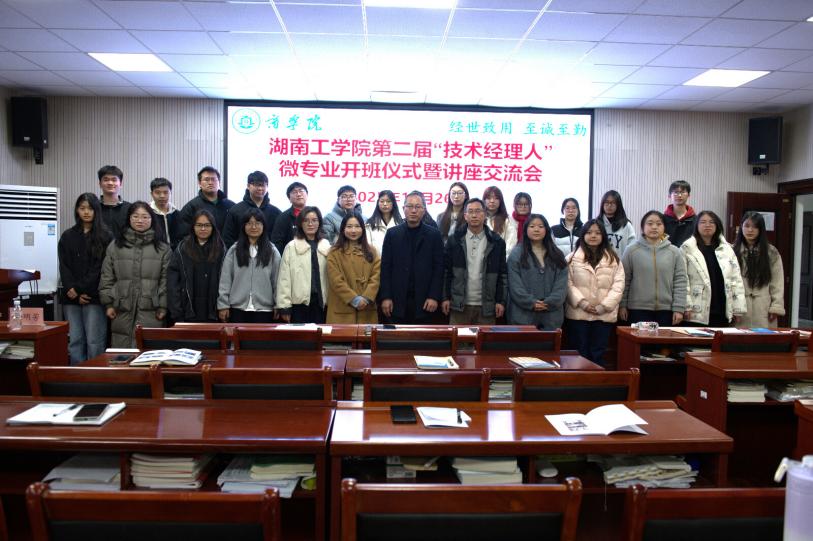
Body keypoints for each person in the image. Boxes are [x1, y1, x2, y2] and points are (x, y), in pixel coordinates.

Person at [99, 201, 170, 348]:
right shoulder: (115, 246)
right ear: (129, 219)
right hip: (121, 308)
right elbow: (107, 277)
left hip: (152, 310)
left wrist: (163, 307)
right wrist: (108, 304)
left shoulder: (163, 248)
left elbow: (166, 280)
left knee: (148, 353)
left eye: (145, 217)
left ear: (152, 220)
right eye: (135, 216)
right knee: (122, 354)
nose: (140, 220)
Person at [58, 193, 112, 364]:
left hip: (93, 296)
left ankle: (94, 376)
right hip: (71, 297)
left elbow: (100, 268)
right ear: (77, 210)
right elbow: (64, 266)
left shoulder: (105, 236)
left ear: (97, 211)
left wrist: (79, 289)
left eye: (90, 208)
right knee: (75, 340)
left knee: (94, 341)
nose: (86, 212)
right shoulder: (68, 235)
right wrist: (71, 289)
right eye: (82, 208)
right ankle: (76, 375)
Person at [564, 219, 624, 366]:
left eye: (597, 233)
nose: (593, 236)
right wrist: (582, 303)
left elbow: (618, 286)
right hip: (578, 314)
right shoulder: (571, 258)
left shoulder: (614, 259)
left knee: (598, 353)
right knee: (579, 354)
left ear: (603, 236)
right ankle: (579, 381)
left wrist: (604, 306)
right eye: (589, 232)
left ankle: (597, 381)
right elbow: (567, 284)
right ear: (583, 235)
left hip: (603, 315)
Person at [379, 191, 444, 324]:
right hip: (396, 300)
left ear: (424, 210)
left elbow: (439, 268)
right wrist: (386, 297)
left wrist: (433, 296)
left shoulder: (434, 235)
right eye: (409, 206)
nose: (413, 210)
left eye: (418, 207)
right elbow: (385, 268)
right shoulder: (392, 234)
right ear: (403, 208)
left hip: (425, 301)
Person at [441, 198, 507, 325]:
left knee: (485, 338)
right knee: (458, 338)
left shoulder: (497, 242)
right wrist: (445, 297)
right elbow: (446, 272)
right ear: (465, 216)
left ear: (485, 214)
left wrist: (501, 301)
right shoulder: (454, 240)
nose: (474, 215)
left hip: (487, 306)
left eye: (478, 211)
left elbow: (502, 275)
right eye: (470, 212)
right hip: (459, 305)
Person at [619, 211, 688, 327]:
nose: (654, 227)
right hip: (637, 309)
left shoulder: (674, 251)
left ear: (664, 227)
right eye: (650, 223)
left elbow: (680, 281)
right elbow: (624, 280)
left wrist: (679, 308)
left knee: (663, 339)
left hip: (666, 310)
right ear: (642, 227)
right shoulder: (631, 251)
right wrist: (622, 305)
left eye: (659, 224)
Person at [681, 211, 746, 327]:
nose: (707, 225)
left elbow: (736, 279)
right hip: (696, 311)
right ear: (696, 226)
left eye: (711, 222)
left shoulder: (727, 249)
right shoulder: (687, 249)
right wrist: (686, 306)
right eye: (703, 222)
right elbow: (682, 280)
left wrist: (738, 308)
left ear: (717, 225)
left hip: (722, 308)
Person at [217, 209, 281, 324]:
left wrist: (278, 305)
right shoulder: (234, 250)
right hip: (237, 309)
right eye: (249, 223)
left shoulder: (272, 251)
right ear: (244, 226)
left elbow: (277, 281)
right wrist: (223, 305)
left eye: (258, 223)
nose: (254, 227)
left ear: (264, 226)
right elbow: (225, 280)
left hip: (264, 310)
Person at [506, 214, 568, 330]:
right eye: (532, 226)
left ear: (546, 230)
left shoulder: (557, 254)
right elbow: (515, 286)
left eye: (540, 226)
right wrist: (531, 302)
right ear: (525, 230)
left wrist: (549, 302)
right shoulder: (516, 254)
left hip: (551, 318)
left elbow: (561, 285)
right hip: (523, 317)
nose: (536, 229)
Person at [167, 209, 225, 323]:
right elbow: (173, 282)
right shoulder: (182, 248)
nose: (203, 229)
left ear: (213, 227)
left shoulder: (221, 249)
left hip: (214, 312)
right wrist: (176, 310)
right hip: (187, 311)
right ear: (193, 227)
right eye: (199, 225)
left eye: (207, 225)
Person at [275, 207, 330, 324]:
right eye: (306, 220)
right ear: (300, 223)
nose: (310, 224)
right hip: (299, 305)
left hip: (322, 304)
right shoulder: (291, 246)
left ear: (319, 222)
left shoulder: (326, 246)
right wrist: (284, 306)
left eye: (314, 220)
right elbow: (284, 279)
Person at [733, 211, 785, 327]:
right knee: (738, 337)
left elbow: (777, 282)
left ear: (761, 229)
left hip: (763, 307)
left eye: (755, 227)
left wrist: (776, 306)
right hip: (739, 308)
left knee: (763, 337)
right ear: (741, 227)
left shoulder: (771, 252)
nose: (750, 230)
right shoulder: (731, 251)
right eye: (747, 226)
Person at [326, 214, 381, 324]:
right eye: (349, 226)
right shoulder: (334, 252)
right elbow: (335, 280)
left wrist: (366, 297)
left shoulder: (372, 251)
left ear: (363, 229)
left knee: (367, 335)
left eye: (357, 226)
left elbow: (376, 277)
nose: (353, 230)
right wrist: (353, 299)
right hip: (341, 309)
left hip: (367, 309)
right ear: (343, 229)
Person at [221, 170, 281, 248]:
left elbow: (278, 239)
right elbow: (227, 238)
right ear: (248, 186)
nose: (260, 188)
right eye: (256, 185)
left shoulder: (275, 212)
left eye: (263, 185)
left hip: (268, 253)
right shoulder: (235, 210)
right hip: (241, 253)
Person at [178, 166, 235, 241]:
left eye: (214, 179)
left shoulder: (230, 206)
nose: (210, 183)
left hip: (226, 247)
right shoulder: (191, 207)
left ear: (219, 182)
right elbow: (184, 234)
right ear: (199, 183)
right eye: (206, 179)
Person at [271, 181, 308, 255]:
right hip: (291, 256)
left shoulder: (314, 214)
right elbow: (277, 242)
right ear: (289, 199)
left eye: (301, 191)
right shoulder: (283, 217)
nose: (298, 194)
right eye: (294, 192)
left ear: (307, 195)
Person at [597, 190, 635, 256]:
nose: (609, 205)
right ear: (602, 204)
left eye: (613, 203)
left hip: (621, 262)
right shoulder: (596, 224)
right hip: (599, 262)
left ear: (618, 205)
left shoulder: (626, 225)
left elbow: (632, 249)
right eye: (606, 202)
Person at [365, 189, 403, 254]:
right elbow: (367, 246)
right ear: (378, 203)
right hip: (376, 259)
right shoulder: (369, 224)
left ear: (393, 203)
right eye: (382, 201)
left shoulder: (400, 223)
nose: (385, 204)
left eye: (388, 201)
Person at [149, 177, 182, 251]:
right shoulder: (147, 214)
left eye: (166, 192)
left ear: (171, 193)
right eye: (157, 192)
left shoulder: (177, 214)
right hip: (155, 253)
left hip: (176, 253)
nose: (162, 196)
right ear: (152, 194)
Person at [97, 165, 130, 238]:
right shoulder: (94, 207)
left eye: (114, 180)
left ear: (120, 184)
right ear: (100, 184)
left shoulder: (130, 208)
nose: (110, 183)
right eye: (106, 180)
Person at [483, 186, 517, 255]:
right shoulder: (478, 219)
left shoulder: (508, 220)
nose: (492, 201)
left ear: (500, 201)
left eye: (496, 198)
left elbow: (510, 245)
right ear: (484, 200)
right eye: (489, 198)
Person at [664, 180, 697, 247]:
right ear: (669, 195)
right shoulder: (662, 219)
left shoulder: (696, 220)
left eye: (683, 192)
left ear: (688, 195)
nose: (679, 195)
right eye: (676, 192)